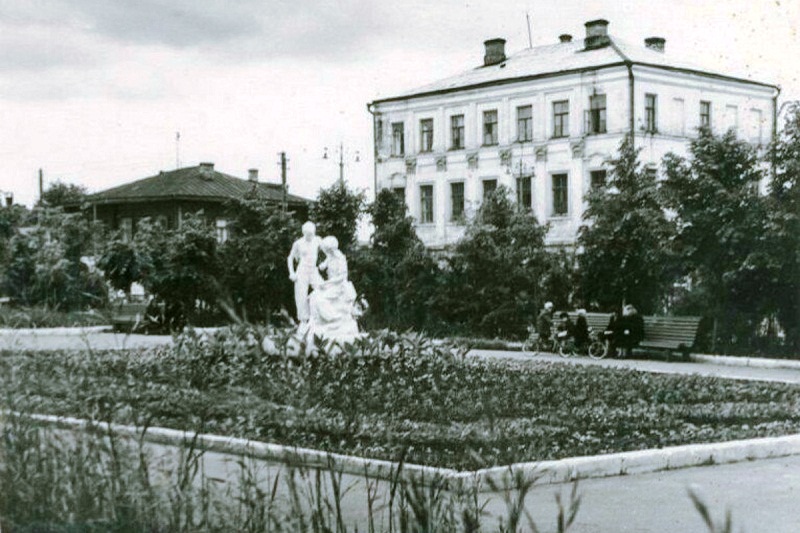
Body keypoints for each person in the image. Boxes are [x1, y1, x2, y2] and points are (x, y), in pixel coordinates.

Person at [307, 236, 359, 344]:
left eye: (326, 250)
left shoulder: (340, 259)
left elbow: (342, 277)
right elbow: (324, 265)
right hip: (331, 285)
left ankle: (333, 318)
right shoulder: (330, 256)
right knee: (313, 295)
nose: (325, 252)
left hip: (339, 286)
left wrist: (327, 283)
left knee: (320, 297)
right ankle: (317, 322)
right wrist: (320, 267)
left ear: (330, 249)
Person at [287, 221, 321, 323]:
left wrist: (327, 262)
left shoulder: (318, 240)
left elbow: (329, 250)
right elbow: (290, 258)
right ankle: (303, 321)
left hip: (313, 270)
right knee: (301, 296)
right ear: (304, 233)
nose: (310, 236)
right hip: (302, 271)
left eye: (312, 234)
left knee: (322, 290)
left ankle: (319, 317)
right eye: (308, 234)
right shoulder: (298, 243)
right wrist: (292, 273)